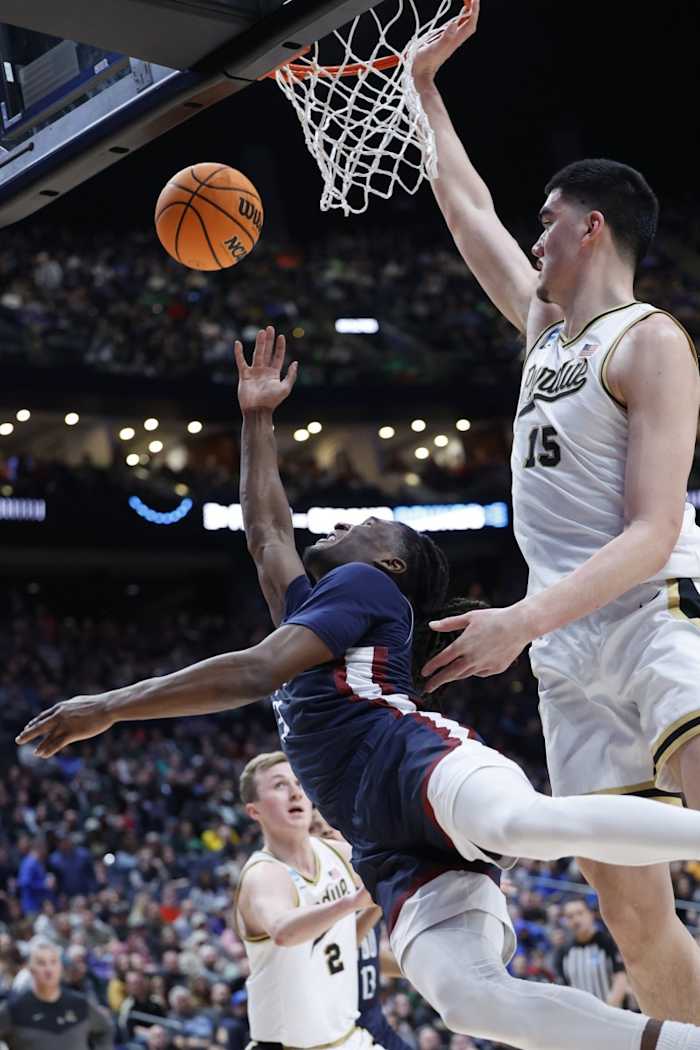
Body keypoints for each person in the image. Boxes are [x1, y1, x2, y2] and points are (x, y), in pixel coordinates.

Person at [16, 326, 700, 1050]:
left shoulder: (366, 586)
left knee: (518, 824)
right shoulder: (316, 607)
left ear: (390, 565)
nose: (347, 519)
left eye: (368, 522)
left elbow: (254, 671)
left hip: (410, 762)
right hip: (381, 838)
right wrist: (256, 419)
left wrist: (110, 705)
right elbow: (266, 534)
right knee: (470, 1003)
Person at [409, 0, 700, 1024]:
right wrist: (423, 90)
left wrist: (518, 621)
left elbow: (651, 532)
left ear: (591, 226)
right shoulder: (543, 333)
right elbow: (465, 209)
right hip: (566, 658)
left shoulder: (648, 341)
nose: (531, 237)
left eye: (545, 220)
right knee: (631, 915)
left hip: (654, 617)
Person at [234, 750, 381, 1050]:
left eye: (298, 783)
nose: (294, 793)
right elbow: (283, 931)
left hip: (349, 1038)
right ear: (254, 811)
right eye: (279, 785)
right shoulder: (264, 874)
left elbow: (397, 866)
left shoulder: (334, 853)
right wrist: (352, 902)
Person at [309, 808, 412, 1050]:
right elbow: (342, 945)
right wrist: (380, 896)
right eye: (314, 828)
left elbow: (367, 956)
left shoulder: (360, 885)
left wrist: (416, 970)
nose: (326, 830)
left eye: (329, 823)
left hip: (374, 1020)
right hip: (342, 1029)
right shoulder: (318, 895)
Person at [0, 937, 113, 1050]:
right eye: (41, 963)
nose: (48, 969)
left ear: (60, 968)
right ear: (31, 969)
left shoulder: (80, 1004)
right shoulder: (14, 1009)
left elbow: (105, 1029)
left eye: (53, 962)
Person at [555, 899, 628, 1007]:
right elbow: (565, 987)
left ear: (590, 914)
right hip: (580, 1013)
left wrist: (609, 1007)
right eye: (570, 916)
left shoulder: (609, 942)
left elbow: (621, 976)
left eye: (580, 913)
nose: (576, 920)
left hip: (611, 1011)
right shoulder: (563, 952)